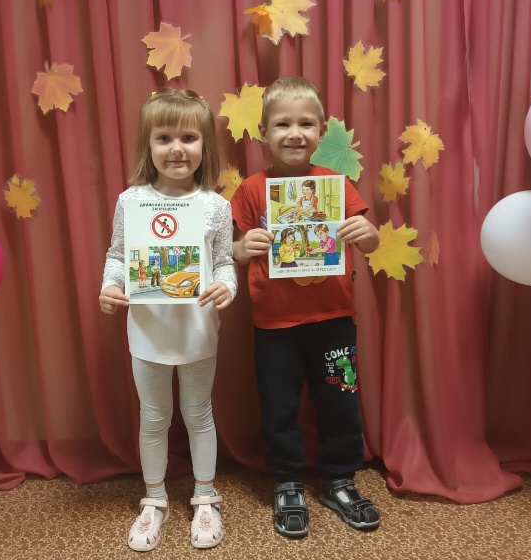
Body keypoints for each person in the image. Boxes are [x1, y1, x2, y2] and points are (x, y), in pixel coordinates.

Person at [230, 76, 381, 538]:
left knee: (341, 404)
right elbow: (231, 250)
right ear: (263, 133)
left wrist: (367, 234)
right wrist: (243, 248)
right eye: (282, 124)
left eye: (305, 124)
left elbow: (369, 240)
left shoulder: (337, 184)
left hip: (334, 322)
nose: (294, 133)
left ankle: (339, 478)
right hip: (274, 325)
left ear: (320, 131)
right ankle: (288, 481)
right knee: (279, 408)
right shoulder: (251, 189)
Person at [100, 88, 236, 552]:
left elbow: (225, 263)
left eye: (189, 137)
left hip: (197, 331)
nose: (177, 148)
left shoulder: (216, 206)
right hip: (148, 332)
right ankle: (154, 499)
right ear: (149, 144)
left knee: (199, 415)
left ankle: (205, 496)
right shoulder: (131, 201)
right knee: (154, 418)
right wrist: (110, 286)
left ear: (204, 145)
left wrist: (227, 286)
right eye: (164, 138)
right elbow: (118, 254)